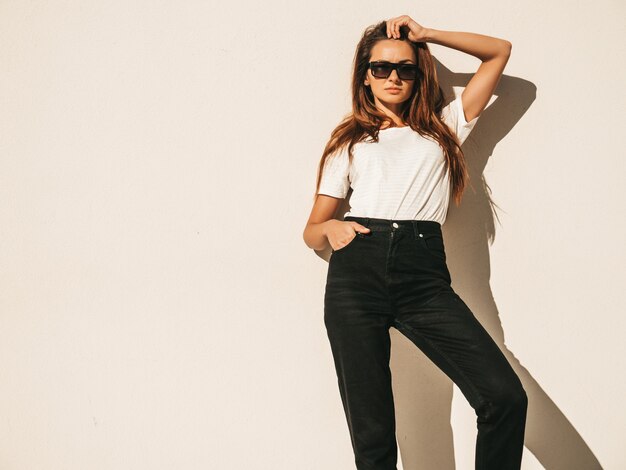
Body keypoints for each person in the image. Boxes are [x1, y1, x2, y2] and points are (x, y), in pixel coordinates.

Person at [302, 16, 528, 470]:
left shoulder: (446, 126)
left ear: (419, 74)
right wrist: (331, 229)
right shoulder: (348, 141)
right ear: (365, 74)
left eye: (406, 69)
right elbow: (312, 228)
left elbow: (498, 50)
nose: (393, 77)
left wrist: (426, 36)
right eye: (381, 67)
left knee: (503, 396)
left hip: (422, 276)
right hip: (355, 275)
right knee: (373, 435)